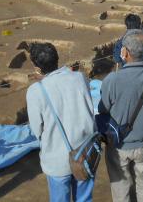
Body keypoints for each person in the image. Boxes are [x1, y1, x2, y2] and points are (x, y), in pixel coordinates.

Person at [99, 29, 143, 202]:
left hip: (118, 144)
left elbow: (102, 109)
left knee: (120, 187)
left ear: (125, 52)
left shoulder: (112, 80)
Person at [26, 43, 96, 202]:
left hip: (56, 160)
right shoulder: (80, 77)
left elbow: (36, 129)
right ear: (57, 58)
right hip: (85, 152)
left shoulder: (36, 91)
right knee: (84, 199)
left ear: (36, 67)